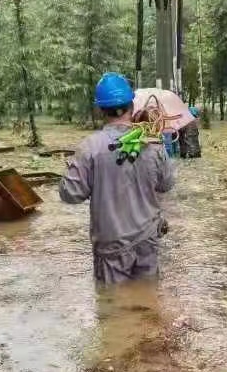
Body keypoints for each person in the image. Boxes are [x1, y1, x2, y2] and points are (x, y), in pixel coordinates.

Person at [59, 73, 175, 285]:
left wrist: (71, 167)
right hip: (147, 241)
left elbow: (70, 194)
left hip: (111, 247)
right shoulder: (153, 144)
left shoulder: (89, 148)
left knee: (112, 302)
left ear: (101, 110)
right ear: (132, 105)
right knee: (148, 298)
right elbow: (167, 184)